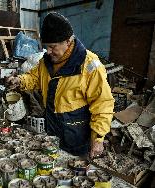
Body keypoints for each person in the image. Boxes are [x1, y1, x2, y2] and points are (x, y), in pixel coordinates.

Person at [7, 12, 114, 157]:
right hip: (52, 128)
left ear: (68, 41)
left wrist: (98, 138)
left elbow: (103, 103)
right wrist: (20, 80)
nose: (48, 51)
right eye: (46, 46)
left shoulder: (89, 65)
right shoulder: (46, 62)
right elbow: (34, 78)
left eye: (52, 46)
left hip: (77, 135)